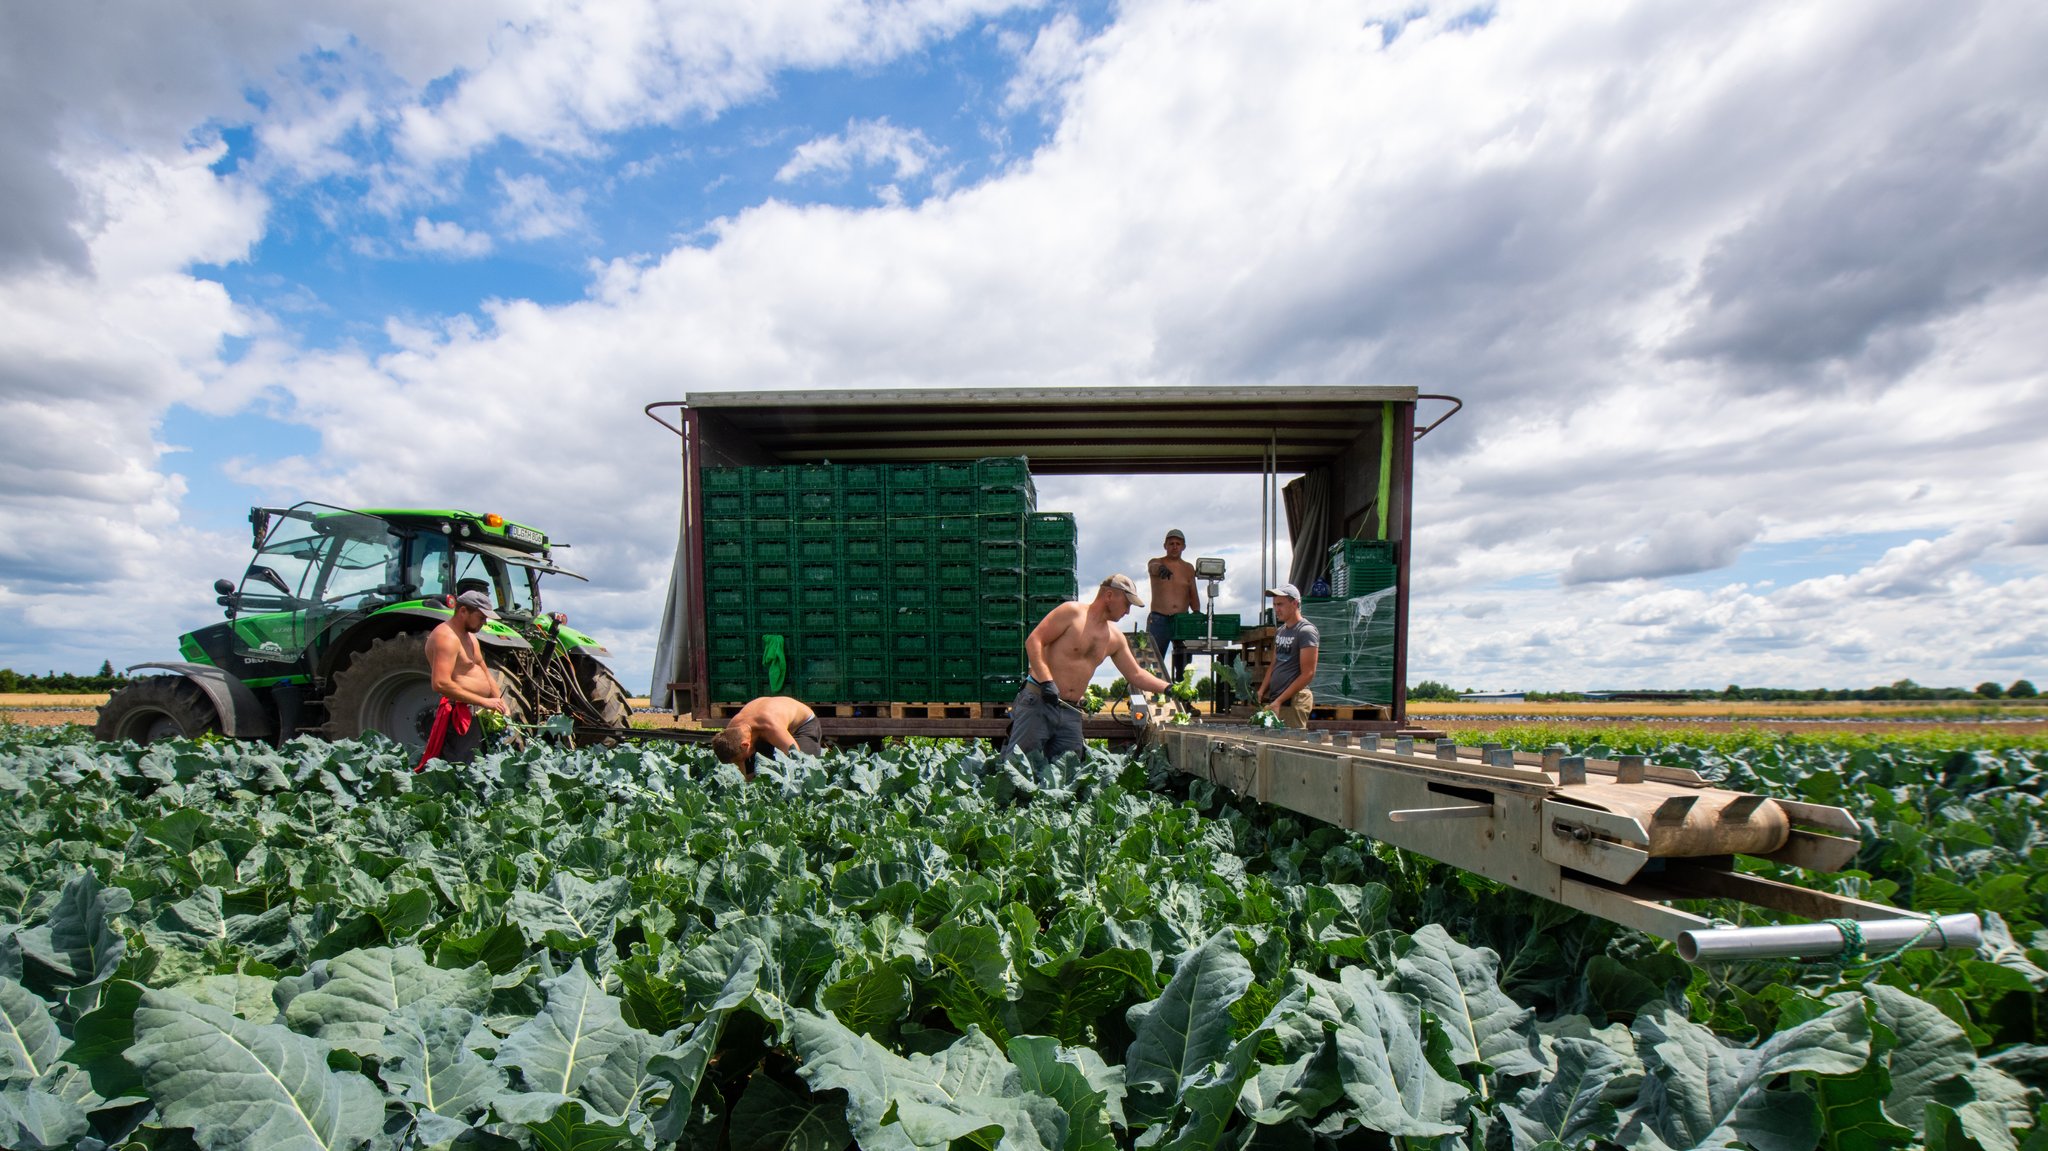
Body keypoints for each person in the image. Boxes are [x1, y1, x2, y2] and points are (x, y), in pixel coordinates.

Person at [1006, 574, 1173, 760]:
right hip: (1039, 702)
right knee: (1020, 766)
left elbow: (1135, 674)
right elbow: (1034, 641)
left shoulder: (1115, 638)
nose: (1127, 611)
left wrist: (1168, 688)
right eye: (1127, 604)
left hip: (1071, 711)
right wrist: (1046, 681)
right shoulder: (1071, 613)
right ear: (1109, 595)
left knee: (1069, 773)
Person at [417, 589, 511, 770]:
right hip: (460, 714)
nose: (484, 622)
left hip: (478, 710)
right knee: (463, 768)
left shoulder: (470, 638)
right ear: (463, 611)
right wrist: (485, 701)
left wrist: (499, 700)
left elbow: (483, 668)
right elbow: (440, 683)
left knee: (483, 765)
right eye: (481, 617)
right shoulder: (446, 637)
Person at [710, 695, 823, 778]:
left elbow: (794, 757)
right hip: (767, 730)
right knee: (753, 767)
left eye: (741, 759)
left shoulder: (769, 726)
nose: (741, 762)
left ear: (745, 745)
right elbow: (739, 763)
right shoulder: (732, 731)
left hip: (802, 726)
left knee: (805, 770)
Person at [1257, 583, 1319, 730]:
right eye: (1274, 605)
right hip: (1278, 699)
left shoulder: (1306, 631)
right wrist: (1262, 689)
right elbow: (1274, 663)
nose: (1277, 609)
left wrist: (1279, 701)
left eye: (1280, 604)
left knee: (1291, 744)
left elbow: (1308, 674)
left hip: (1294, 700)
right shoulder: (1281, 631)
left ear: (1295, 603)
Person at [1145, 528, 1200, 682]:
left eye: (1178, 543)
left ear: (1183, 546)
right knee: (1153, 661)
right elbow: (1152, 567)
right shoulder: (1157, 562)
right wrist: (1160, 569)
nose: (1174, 546)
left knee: (1183, 664)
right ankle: (1149, 696)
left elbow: (1193, 593)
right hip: (1159, 619)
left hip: (1182, 620)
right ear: (1165, 546)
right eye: (1171, 543)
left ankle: (1183, 699)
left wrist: (1196, 612)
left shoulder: (1188, 568)